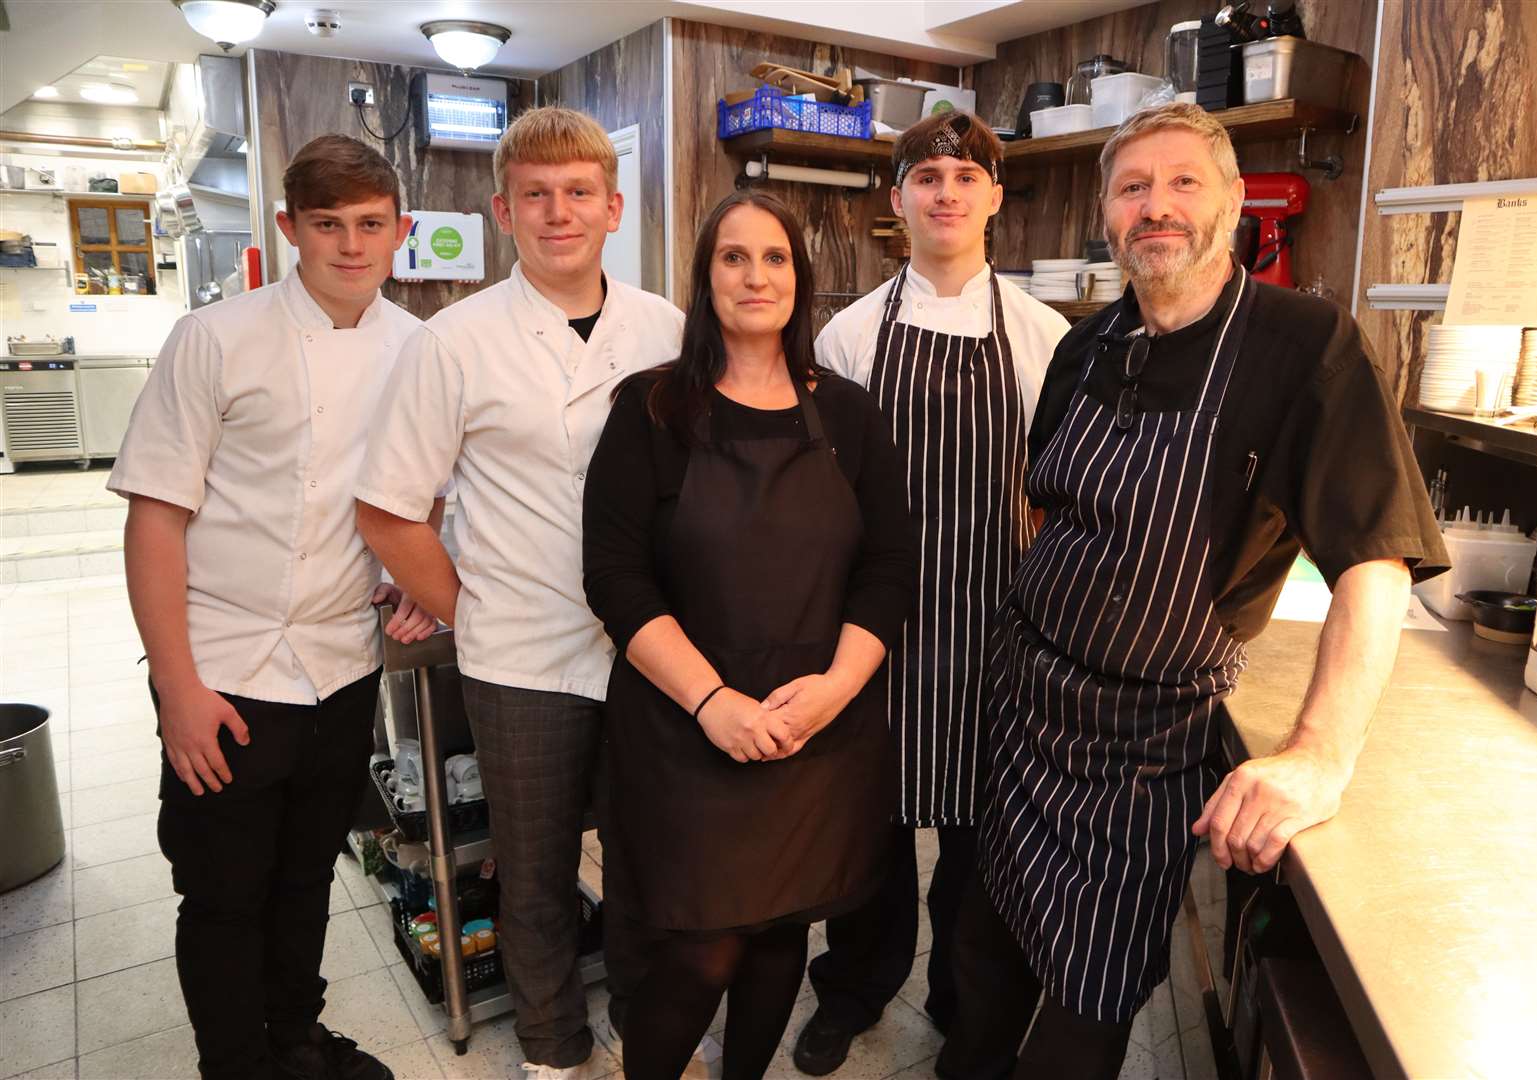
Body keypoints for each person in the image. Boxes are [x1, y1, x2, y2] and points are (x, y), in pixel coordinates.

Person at [938, 102, 1450, 1080]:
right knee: (983, 944)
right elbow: (1047, 504)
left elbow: (1375, 564)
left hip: (1143, 743)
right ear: (1107, 212)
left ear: (1232, 200)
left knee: (1084, 1007)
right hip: (1025, 706)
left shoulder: (1306, 349)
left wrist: (1318, 755)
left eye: (1183, 183)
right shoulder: (1088, 346)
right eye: (1133, 187)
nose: (1156, 207)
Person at [354, 106, 684, 1078]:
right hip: (518, 659)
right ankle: (551, 1050)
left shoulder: (665, 328)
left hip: (645, 653)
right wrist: (471, 610)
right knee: (533, 871)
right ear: (503, 210)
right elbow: (388, 512)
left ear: (613, 206)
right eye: (535, 195)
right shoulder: (450, 342)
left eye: (578, 192)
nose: (558, 212)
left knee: (645, 864)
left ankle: (647, 1034)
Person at [111, 133, 438, 1080]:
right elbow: (155, 521)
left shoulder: (419, 349)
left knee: (305, 882)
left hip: (342, 668)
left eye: (370, 224)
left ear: (399, 231)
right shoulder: (214, 338)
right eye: (327, 224)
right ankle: (234, 1066)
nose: (350, 245)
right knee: (221, 895)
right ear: (290, 227)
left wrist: (420, 576)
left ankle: (294, 1038)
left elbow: (425, 496)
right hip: (223, 671)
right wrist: (177, 689)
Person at [580, 190, 916, 1080]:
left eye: (774, 257)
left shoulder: (847, 414)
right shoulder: (650, 412)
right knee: (701, 952)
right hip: (686, 729)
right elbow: (615, 580)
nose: (755, 276)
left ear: (799, 278)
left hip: (816, 730)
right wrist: (714, 704)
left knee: (778, 936)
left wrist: (837, 690)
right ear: (706, 277)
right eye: (734, 257)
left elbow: (888, 565)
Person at [794, 110, 1072, 1073]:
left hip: (996, 629)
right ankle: (854, 989)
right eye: (927, 175)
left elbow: (1058, 492)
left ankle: (965, 1003)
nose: (947, 191)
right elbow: (820, 492)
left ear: (995, 196)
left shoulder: (1043, 336)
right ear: (897, 197)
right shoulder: (851, 333)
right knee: (865, 833)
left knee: (978, 847)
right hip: (875, 627)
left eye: (966, 175)